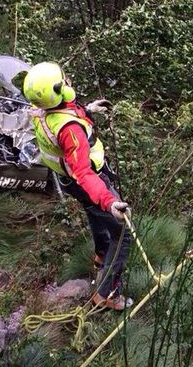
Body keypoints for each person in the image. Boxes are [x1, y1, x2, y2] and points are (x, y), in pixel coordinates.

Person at [22, 61, 133, 311]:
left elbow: (61, 112)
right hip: (88, 181)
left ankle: (102, 254)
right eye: (65, 80)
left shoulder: (40, 109)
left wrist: (88, 110)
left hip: (68, 181)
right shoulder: (70, 130)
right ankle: (108, 294)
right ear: (61, 88)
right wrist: (109, 200)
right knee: (123, 232)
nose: (69, 80)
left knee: (94, 213)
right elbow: (83, 170)